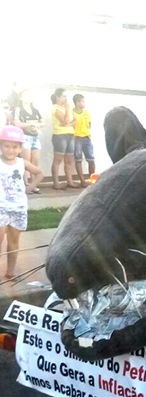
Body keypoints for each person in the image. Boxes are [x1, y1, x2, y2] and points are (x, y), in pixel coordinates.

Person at [0, 125, 43, 279]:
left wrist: (29, 188)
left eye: (14, 147)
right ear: (1, 146)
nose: (10, 150)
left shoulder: (22, 162)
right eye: (6, 146)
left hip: (18, 208)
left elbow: (39, 174)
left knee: (13, 242)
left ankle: (10, 271)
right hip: (1, 207)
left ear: (19, 148)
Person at [12, 89, 43, 193]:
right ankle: (26, 184)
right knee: (26, 162)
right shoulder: (18, 109)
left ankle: (34, 185)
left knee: (35, 162)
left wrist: (37, 126)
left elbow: (42, 122)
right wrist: (30, 125)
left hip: (35, 137)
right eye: (26, 95)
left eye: (29, 95)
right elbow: (16, 123)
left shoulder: (35, 109)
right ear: (21, 97)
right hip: (25, 137)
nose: (28, 97)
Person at [50, 88, 78, 189]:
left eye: (66, 96)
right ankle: (56, 183)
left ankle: (69, 181)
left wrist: (68, 123)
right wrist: (66, 109)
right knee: (58, 160)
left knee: (69, 160)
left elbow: (75, 121)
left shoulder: (68, 108)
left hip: (70, 135)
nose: (66, 99)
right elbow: (65, 121)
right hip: (60, 136)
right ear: (57, 97)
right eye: (63, 96)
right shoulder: (55, 108)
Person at [72, 94, 95, 187]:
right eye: (82, 101)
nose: (83, 103)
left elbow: (89, 125)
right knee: (78, 160)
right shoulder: (71, 113)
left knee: (91, 159)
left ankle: (92, 181)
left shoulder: (87, 113)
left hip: (86, 137)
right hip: (76, 138)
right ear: (77, 102)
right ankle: (82, 181)